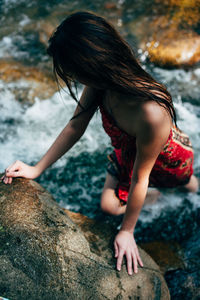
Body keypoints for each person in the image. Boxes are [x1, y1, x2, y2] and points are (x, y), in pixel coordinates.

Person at [1, 11, 198, 276]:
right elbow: (75, 126)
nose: (74, 79)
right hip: (127, 150)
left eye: (74, 72)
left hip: (169, 159)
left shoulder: (151, 112)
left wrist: (126, 231)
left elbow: (141, 178)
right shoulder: (102, 82)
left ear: (92, 65)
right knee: (109, 204)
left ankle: (187, 188)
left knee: (186, 184)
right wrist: (37, 169)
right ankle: (157, 197)